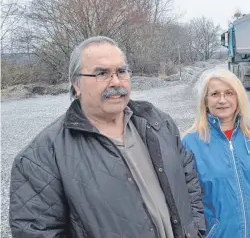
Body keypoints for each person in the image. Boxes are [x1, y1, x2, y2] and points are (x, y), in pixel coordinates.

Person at [9, 36, 206, 238]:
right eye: (102, 73)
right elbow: (36, 232)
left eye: (121, 71)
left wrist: (196, 229)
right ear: (76, 85)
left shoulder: (157, 123)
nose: (116, 82)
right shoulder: (42, 157)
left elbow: (188, 177)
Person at [181, 68, 250, 238]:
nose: (222, 100)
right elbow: (187, 199)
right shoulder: (191, 143)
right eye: (215, 94)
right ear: (205, 101)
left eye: (229, 93)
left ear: (238, 98)